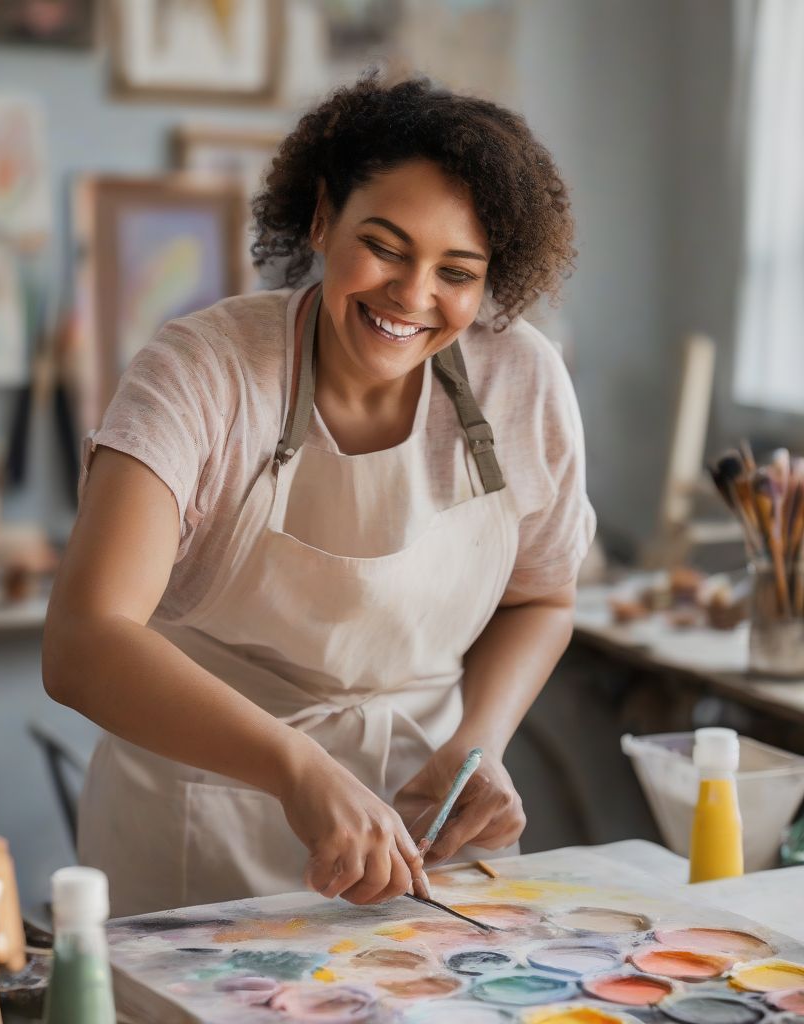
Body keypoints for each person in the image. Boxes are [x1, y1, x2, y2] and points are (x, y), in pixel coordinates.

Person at [43, 74, 596, 918]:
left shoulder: (522, 379)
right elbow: (84, 641)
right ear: (321, 217)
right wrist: (295, 769)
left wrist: (476, 743)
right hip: (205, 825)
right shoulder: (203, 371)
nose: (413, 296)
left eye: (457, 270)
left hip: (424, 823)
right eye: (385, 245)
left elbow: (544, 596)